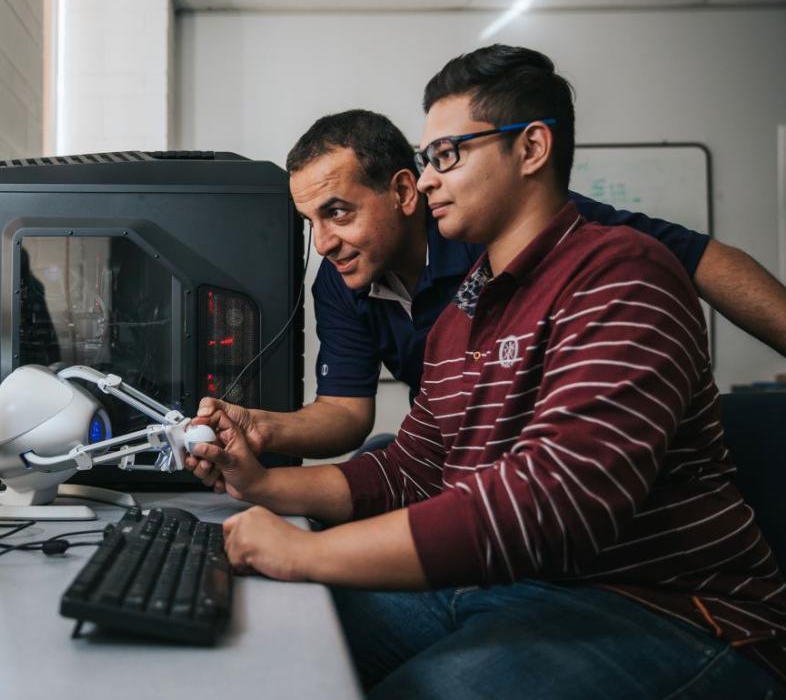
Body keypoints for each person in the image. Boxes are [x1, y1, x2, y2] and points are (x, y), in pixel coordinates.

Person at [190, 45, 786, 697]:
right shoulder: (465, 310)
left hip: (662, 606)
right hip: (517, 581)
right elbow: (410, 468)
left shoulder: (620, 271)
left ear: (531, 150)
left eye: (448, 155)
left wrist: (302, 551)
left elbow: (549, 501)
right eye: (427, 160)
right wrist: (261, 485)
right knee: (286, 638)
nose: (429, 180)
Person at [187, 110, 786, 476]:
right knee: (374, 458)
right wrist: (259, 430)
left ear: (403, 192)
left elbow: (700, 257)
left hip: (544, 464)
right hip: (461, 457)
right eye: (310, 221)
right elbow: (346, 412)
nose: (323, 243)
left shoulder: (503, 235)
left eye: (338, 213)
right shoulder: (342, 285)